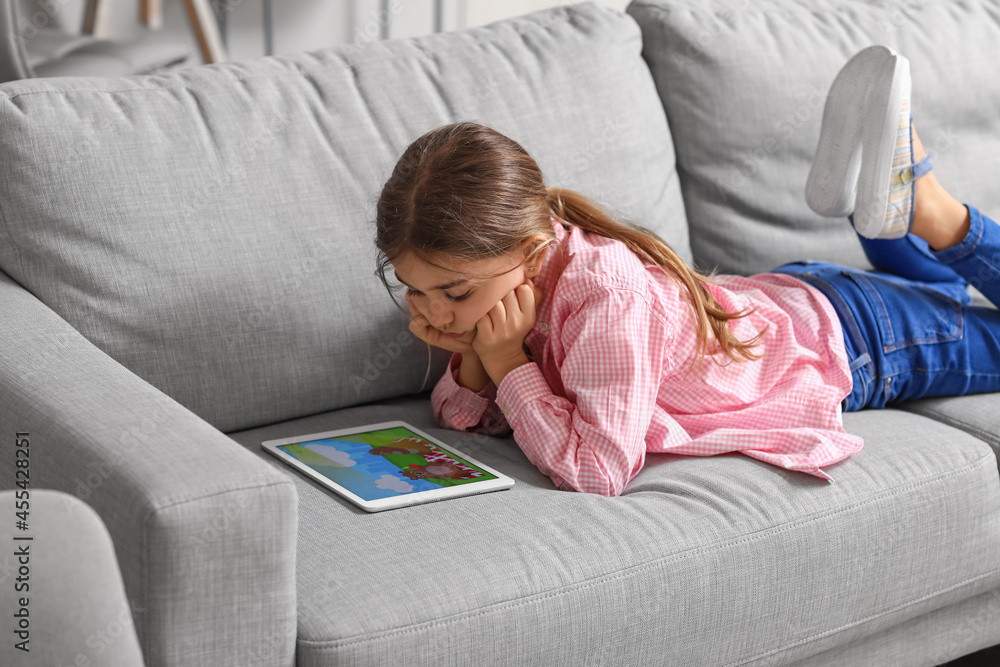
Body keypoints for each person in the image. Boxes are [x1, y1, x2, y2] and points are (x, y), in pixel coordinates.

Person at [372, 45, 1000, 497]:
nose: (432, 313)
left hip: (859, 342)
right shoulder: (518, 281)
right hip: (802, 300)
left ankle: (939, 216)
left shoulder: (600, 294)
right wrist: (481, 355)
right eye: (415, 292)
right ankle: (898, 202)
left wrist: (508, 363)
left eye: (453, 291)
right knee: (945, 293)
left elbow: (598, 470)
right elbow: (457, 415)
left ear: (533, 253)